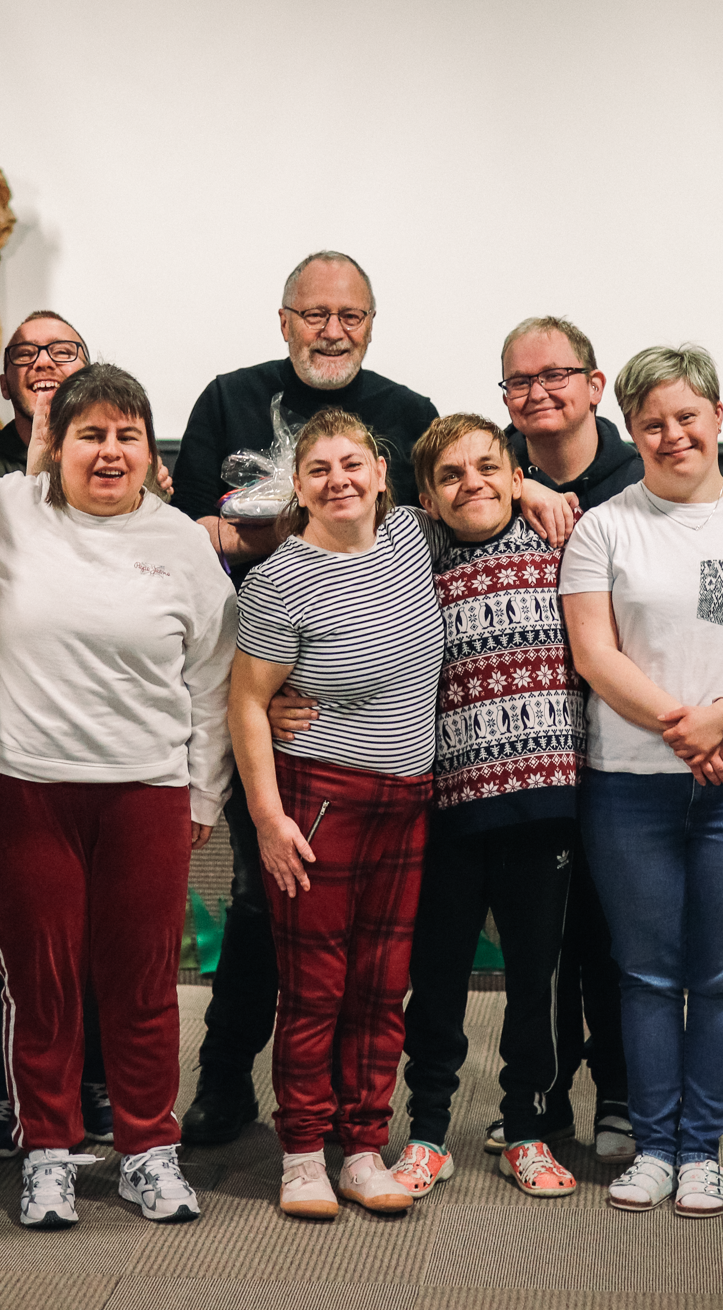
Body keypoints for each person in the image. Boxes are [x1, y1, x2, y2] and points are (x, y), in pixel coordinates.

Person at [0, 364, 237, 1230]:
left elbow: (213, 677)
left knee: (143, 979)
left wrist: (203, 794)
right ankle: (47, 1149)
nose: (109, 452)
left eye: (127, 436)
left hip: (145, 787)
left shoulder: (181, 542)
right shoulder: (5, 509)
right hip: (25, 785)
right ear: (57, 444)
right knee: (39, 982)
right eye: (91, 435)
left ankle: (149, 1148)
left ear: (152, 453)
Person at [174, 251, 439, 1147]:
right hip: (259, 691)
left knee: (371, 944)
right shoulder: (227, 397)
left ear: (371, 323)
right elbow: (188, 533)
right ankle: (225, 1078)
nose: (332, 331)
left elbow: (455, 511)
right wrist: (281, 544)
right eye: (314, 314)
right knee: (262, 901)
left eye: (350, 315)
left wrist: (542, 494)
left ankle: (355, 1111)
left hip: (379, 738)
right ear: (284, 319)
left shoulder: (410, 413)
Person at [559, 344, 723, 1218]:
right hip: (632, 783)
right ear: (631, 430)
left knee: (721, 972)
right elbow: (595, 654)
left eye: (687, 416)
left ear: (717, 417)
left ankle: (701, 1149)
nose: (673, 434)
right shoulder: (605, 529)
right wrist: (687, 726)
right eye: (652, 422)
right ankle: (655, 1147)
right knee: (646, 973)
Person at [228, 409, 446, 1220]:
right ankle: (300, 1154)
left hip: (408, 800)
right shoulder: (280, 579)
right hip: (320, 800)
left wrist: (531, 492)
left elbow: (488, 493)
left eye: (353, 464)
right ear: (298, 486)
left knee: (382, 988)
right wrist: (267, 817)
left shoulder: (414, 537)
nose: (339, 481)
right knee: (316, 990)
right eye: (319, 469)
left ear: (383, 474)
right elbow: (247, 703)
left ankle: (361, 1148)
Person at [388, 415, 583, 1199]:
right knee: (436, 979)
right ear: (428, 499)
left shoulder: (562, 543)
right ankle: (428, 1131)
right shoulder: (415, 554)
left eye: (488, 467)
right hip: (450, 808)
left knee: (535, 979)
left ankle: (525, 1128)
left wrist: (538, 491)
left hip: (544, 804)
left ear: (515, 475)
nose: (472, 483)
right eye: (451, 475)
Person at [0, 311, 115, 1158]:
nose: (44, 362)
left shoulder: (117, 454)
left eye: (63, 350)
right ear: (5, 377)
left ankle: (97, 1078)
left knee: (101, 921)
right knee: (4, 920)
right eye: (25, 354)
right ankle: (1, 1079)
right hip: (7, 727)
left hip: (103, 729)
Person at [493, 315, 637, 1164]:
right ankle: (540, 1099)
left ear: (594, 384)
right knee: (537, 940)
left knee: (613, 933)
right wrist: (515, 485)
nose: (538, 392)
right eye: (520, 381)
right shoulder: (486, 476)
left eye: (556, 375)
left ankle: (620, 1091)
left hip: (624, 742)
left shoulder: (643, 476)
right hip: (526, 755)